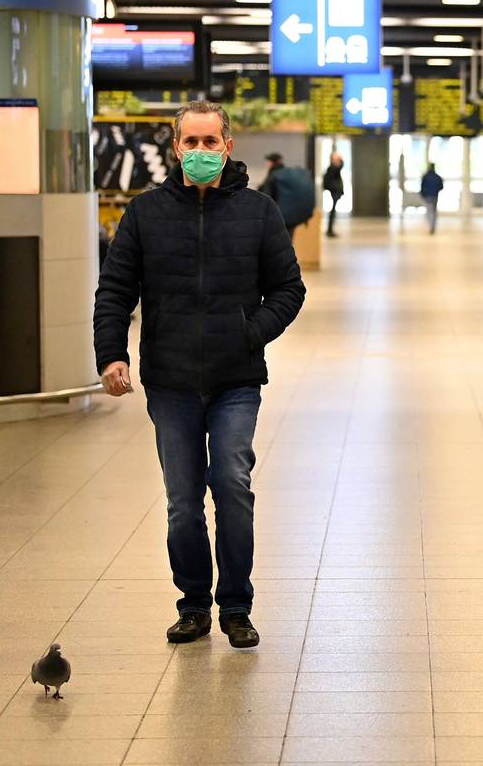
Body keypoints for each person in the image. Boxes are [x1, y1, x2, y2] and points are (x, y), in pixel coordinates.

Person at [93, 100, 306, 649]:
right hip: (171, 381)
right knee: (183, 502)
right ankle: (193, 605)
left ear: (227, 147)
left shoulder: (258, 212)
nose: (201, 151)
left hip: (236, 378)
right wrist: (112, 354)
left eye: (211, 142)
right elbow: (115, 290)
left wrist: (249, 333)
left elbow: (289, 289)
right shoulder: (146, 213)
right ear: (176, 148)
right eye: (191, 142)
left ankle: (236, 605)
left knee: (232, 485)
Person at [261, 153, 317, 239]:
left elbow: (266, 197)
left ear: (272, 163)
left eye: (269, 162)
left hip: (278, 217)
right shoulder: (285, 174)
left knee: (277, 242)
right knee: (287, 240)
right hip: (290, 216)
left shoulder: (273, 175)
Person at [322, 151, 344, 238]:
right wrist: (341, 160)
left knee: (333, 212)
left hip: (335, 191)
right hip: (334, 191)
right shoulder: (332, 168)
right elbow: (340, 166)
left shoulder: (332, 168)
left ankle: (330, 230)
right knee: (332, 212)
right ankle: (330, 230)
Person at [420, 163, 443, 235]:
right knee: (434, 211)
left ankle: (431, 226)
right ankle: (433, 226)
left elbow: (422, 187)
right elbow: (441, 187)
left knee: (429, 211)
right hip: (435, 196)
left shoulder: (425, 177)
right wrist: (436, 190)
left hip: (427, 196)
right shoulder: (437, 177)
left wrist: (423, 194)